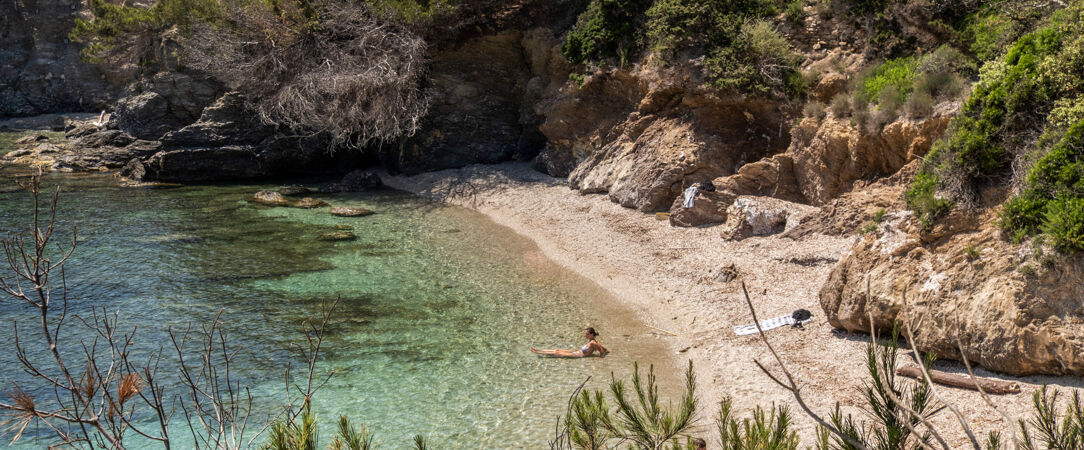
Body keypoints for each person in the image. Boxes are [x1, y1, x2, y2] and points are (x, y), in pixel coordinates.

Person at [530, 327, 608, 358]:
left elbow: (602, 351)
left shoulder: (593, 343)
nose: (585, 335)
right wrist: (605, 352)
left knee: (558, 353)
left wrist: (599, 358)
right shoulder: (592, 341)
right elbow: (605, 349)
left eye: (587, 334)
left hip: (578, 355)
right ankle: (538, 350)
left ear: (591, 334)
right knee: (557, 350)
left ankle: (538, 352)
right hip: (576, 351)